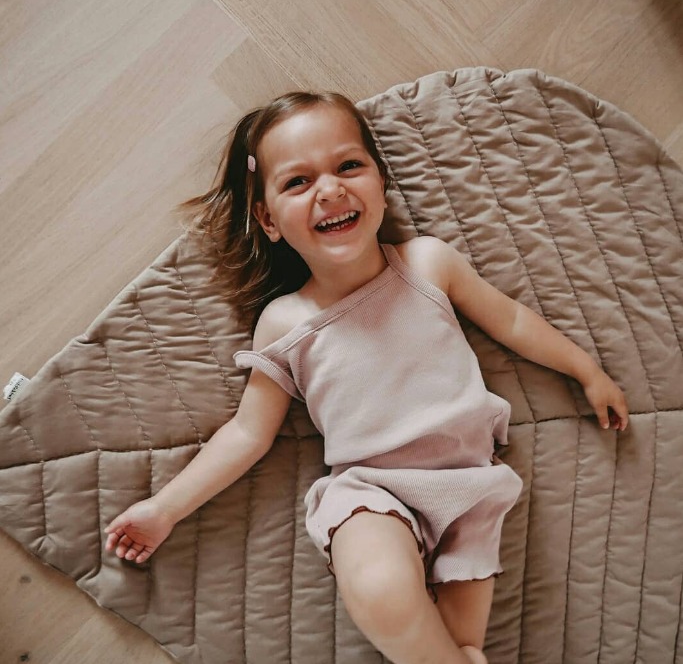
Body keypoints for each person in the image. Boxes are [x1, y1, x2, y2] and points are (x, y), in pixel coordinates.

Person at [104, 91, 629, 664]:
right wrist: (166, 508)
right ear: (268, 219)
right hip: (371, 493)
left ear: (381, 182)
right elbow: (248, 433)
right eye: (298, 182)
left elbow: (511, 321)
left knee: (459, 647)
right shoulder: (286, 322)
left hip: (468, 487)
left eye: (349, 166)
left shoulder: (426, 263)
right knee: (381, 589)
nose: (330, 190)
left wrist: (585, 369)